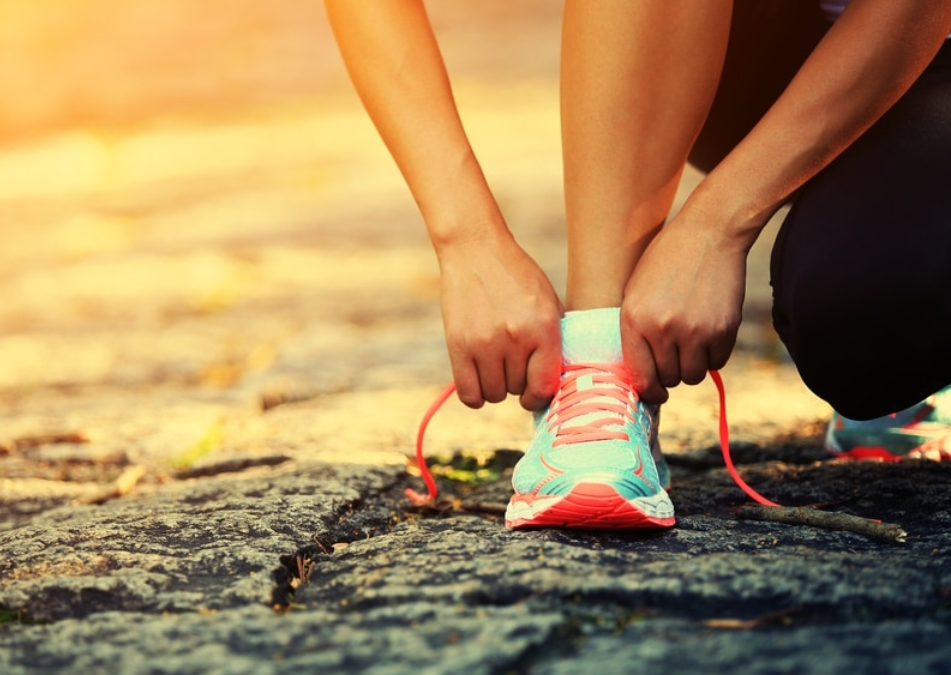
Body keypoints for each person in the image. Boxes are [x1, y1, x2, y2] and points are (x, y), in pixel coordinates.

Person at [325, 0, 951, 529]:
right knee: (856, 298)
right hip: (751, 46)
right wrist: (467, 241)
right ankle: (601, 361)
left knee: (862, 310)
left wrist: (716, 226)